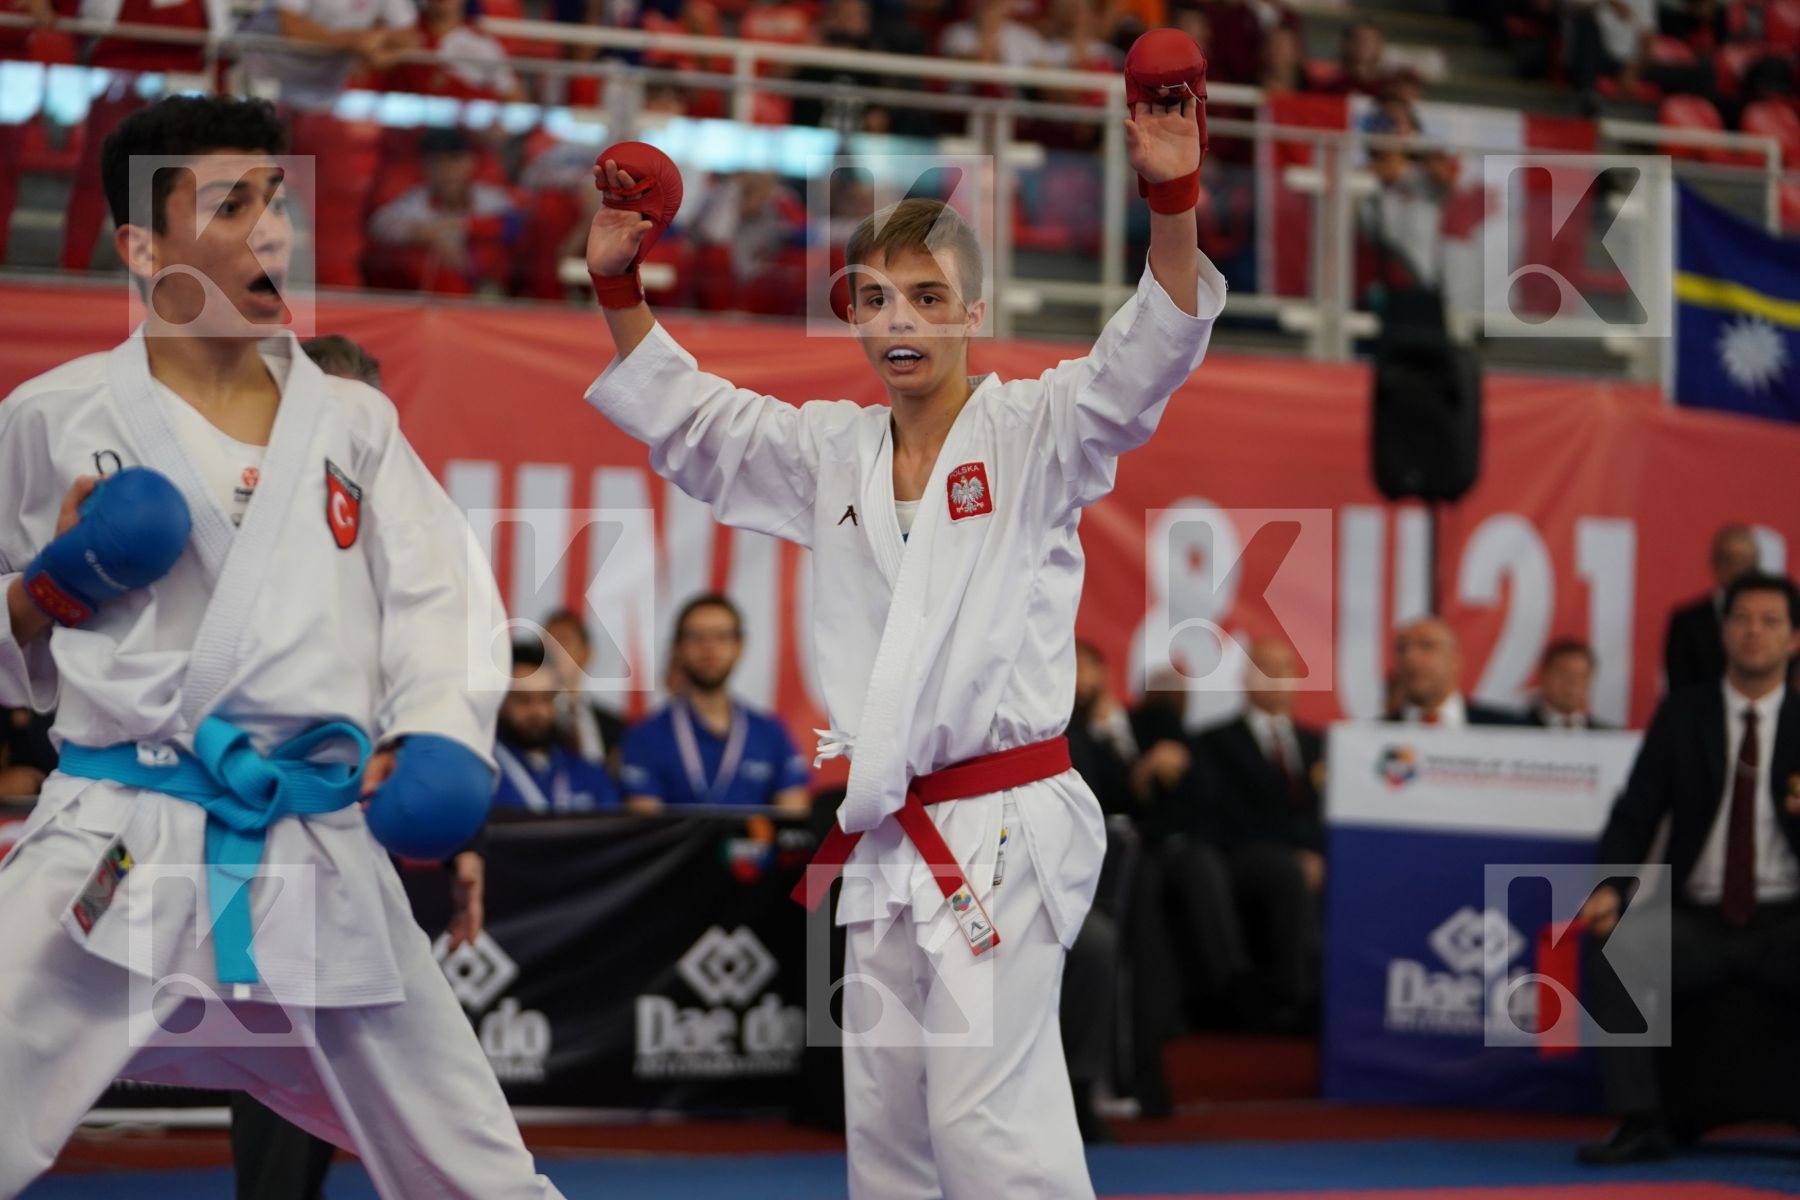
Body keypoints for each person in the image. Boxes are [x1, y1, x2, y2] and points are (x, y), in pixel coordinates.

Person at [581, 28, 1220, 1191]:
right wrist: (616, 283)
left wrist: (1171, 197)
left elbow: (1148, 357)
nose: (901, 320)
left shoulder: (1037, 431)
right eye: (876, 300)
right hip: (888, 838)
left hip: (1005, 821)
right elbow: (693, 421)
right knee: (888, 1135)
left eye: (928, 297)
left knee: (988, 1121)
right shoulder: (829, 451)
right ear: (856, 320)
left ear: (972, 311)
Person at [0, 95, 561, 1199]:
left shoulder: (354, 423)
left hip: (315, 834)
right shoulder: (49, 415)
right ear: (142, 247)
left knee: (481, 1175)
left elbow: (442, 598)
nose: (269, 230)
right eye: (229, 203)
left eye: (276, 201)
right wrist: (46, 591)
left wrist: (441, 733)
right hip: (120, 824)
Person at [229, 331, 488, 1200]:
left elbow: (439, 697)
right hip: (235, 822)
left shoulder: (411, 537)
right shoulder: (232, 524)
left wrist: (460, 844)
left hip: (372, 829)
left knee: (409, 1087)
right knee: (274, 1046)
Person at [1577, 572, 1800, 1164]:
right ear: (1723, 632)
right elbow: (1635, 814)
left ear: (1795, 639)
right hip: (1697, 917)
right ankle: (1641, 1119)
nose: (1754, 632)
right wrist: (1608, 888)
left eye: (1771, 621)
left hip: (1789, 919)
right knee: (1615, 945)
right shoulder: (1684, 714)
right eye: (1741, 619)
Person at [1189, 636, 1323, 1025]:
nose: (1277, 678)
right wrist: (1296, 852)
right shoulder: (1214, 741)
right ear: (1245, 678)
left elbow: (1325, 811)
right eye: (1267, 668)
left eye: (1286, 670)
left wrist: (1317, 851)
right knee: (1286, 872)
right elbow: (1222, 812)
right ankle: (1288, 1001)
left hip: (1310, 856)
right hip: (1244, 854)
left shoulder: (1320, 744)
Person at [619, 593, 811, 814]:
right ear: (678, 647)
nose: (709, 648)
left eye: (721, 637)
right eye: (697, 637)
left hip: (757, 848)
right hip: (678, 849)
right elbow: (645, 830)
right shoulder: (645, 736)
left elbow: (794, 821)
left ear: (739, 647)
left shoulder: (771, 733)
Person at [366, 126, 520, 296]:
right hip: (431, 296)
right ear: (425, 166)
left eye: (454, 160)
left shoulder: (489, 198)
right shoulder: (415, 201)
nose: (447, 170)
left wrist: (466, 226)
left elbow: (515, 226)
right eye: (437, 162)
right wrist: (426, 234)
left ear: (471, 162)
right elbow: (379, 225)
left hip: (489, 291)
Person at [493, 638, 620, 813]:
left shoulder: (588, 774)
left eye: (546, 698)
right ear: (501, 702)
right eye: (523, 700)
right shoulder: (481, 773)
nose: (537, 712)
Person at [1665, 523, 1761, 692]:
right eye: (1731, 560)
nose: (1740, 570)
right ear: (1715, 563)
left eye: (1747, 561)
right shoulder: (1687, 622)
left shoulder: (1776, 621)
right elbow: (1680, 689)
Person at [1386, 616, 1524, 726]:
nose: (1411, 657)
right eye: (1402, 649)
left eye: (1426, 646)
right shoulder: (1375, 733)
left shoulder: (1508, 729)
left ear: (1454, 660)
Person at [540, 608, 627, 772]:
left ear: (586, 653)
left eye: (564, 641)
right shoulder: (533, 721)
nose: (553, 650)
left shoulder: (615, 726)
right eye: (546, 643)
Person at [1526, 638, 1608, 730]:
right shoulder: (1515, 727)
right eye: (1564, 674)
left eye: (1580, 676)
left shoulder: (1611, 737)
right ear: (1544, 675)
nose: (1572, 683)